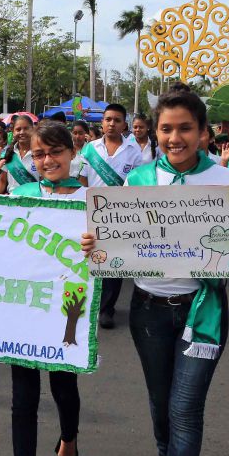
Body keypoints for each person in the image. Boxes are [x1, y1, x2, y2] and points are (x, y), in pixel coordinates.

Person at [83, 87, 229, 456]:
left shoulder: (227, 182)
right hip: (147, 310)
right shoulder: (139, 179)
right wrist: (96, 245)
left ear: (203, 132)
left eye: (185, 128)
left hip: (203, 309)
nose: (175, 137)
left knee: (186, 407)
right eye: (166, 128)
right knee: (161, 400)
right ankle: (166, 454)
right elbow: (115, 241)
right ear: (155, 132)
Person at [0, 120, 85, 456]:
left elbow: (113, 257)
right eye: (39, 154)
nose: (47, 160)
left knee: (63, 386)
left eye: (55, 152)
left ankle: (68, 439)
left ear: (73, 153)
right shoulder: (20, 195)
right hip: (23, 306)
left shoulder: (93, 201)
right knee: (23, 399)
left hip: (71, 304)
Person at [84, 104, 145, 329]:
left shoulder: (133, 151)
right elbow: (82, 179)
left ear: (124, 125)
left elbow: (137, 184)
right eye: (108, 119)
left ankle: (107, 309)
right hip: (90, 211)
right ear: (102, 122)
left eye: (117, 120)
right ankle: (88, 304)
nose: (111, 124)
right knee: (90, 258)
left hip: (119, 216)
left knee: (113, 263)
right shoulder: (90, 149)